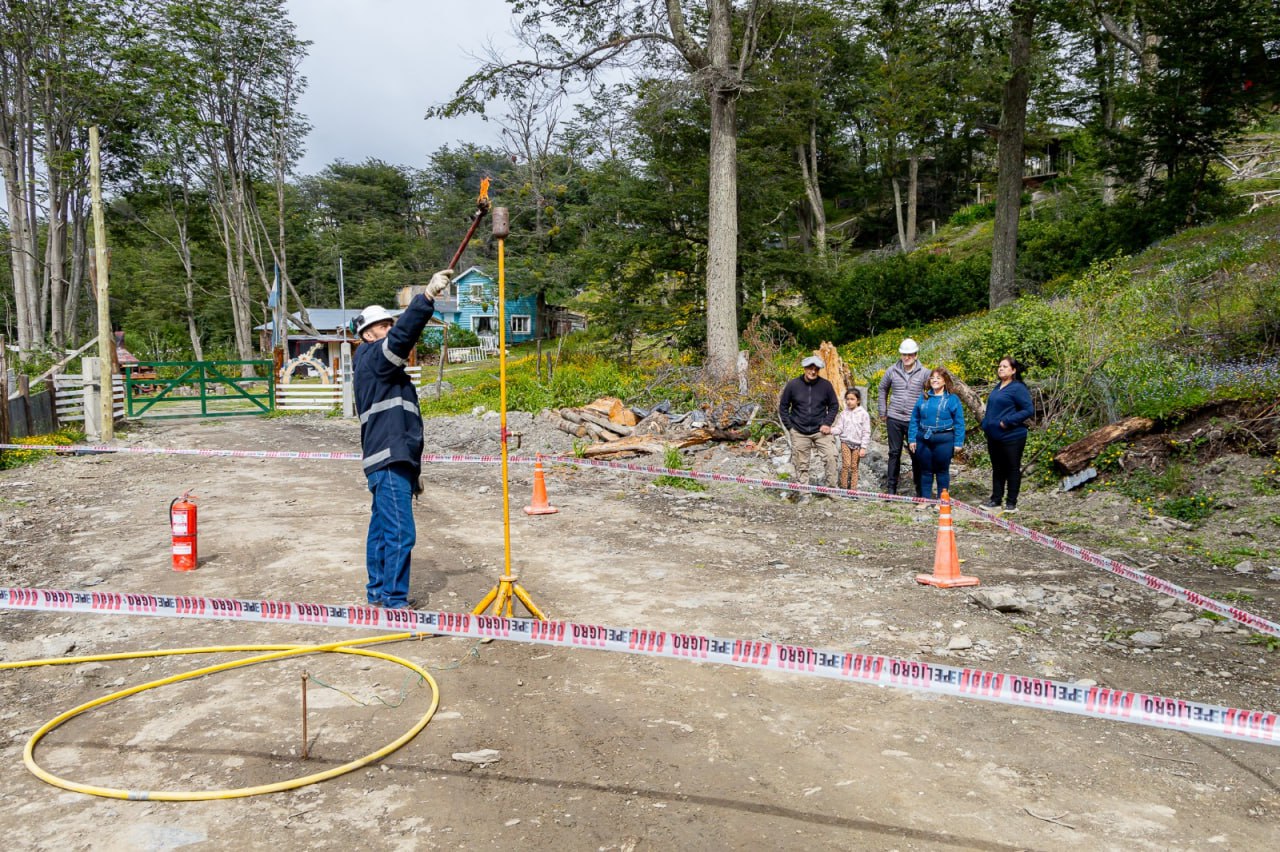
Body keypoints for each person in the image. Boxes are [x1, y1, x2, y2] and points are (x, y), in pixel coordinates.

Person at [351, 268, 454, 609]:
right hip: (389, 460)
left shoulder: (385, 373)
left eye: (390, 324)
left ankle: (379, 593)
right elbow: (401, 339)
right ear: (367, 335)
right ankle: (394, 603)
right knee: (400, 533)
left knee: (382, 529)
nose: (390, 329)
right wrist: (425, 299)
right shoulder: (373, 358)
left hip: (392, 460)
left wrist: (414, 468)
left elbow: (399, 424)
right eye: (383, 326)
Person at [778, 355, 840, 497]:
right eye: (810, 368)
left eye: (816, 369)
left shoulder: (826, 385)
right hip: (799, 430)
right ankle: (804, 493)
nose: (813, 372)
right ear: (804, 368)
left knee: (831, 457)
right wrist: (790, 428)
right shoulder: (793, 385)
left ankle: (832, 490)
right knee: (801, 463)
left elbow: (834, 405)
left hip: (820, 429)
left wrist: (827, 423)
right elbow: (783, 407)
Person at [980, 357, 1034, 513]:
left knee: (1012, 468)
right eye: (999, 366)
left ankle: (1011, 503)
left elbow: (1028, 410)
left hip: (1012, 436)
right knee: (997, 469)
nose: (1001, 369)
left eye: (1005, 366)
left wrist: (1007, 421)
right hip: (994, 436)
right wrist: (986, 424)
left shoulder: (1018, 388)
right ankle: (996, 500)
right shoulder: (998, 387)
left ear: (1013, 370)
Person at [878, 338, 929, 496]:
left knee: (916, 454)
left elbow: (932, 393)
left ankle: (920, 491)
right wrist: (883, 411)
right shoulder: (892, 370)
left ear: (916, 355)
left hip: (915, 420)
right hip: (894, 418)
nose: (907, 357)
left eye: (910, 354)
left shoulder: (925, 372)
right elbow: (882, 388)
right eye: (904, 354)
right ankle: (891, 489)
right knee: (894, 453)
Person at [908, 367, 965, 501]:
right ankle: (925, 499)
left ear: (945, 381)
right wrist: (912, 439)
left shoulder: (952, 399)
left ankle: (942, 500)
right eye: (932, 378)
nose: (935, 380)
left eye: (938, 378)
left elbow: (959, 422)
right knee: (925, 471)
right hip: (923, 439)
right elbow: (914, 419)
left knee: (942, 471)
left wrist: (958, 442)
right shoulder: (923, 397)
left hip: (944, 439)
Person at [830, 387, 871, 490]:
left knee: (854, 467)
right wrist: (830, 430)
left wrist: (863, 447)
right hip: (846, 442)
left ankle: (853, 490)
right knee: (846, 465)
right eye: (847, 399)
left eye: (852, 399)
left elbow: (866, 432)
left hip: (857, 445)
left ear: (858, 400)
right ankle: (843, 488)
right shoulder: (843, 414)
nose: (849, 402)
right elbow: (839, 428)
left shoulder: (863, 414)